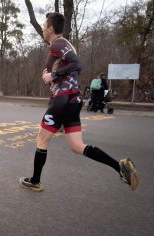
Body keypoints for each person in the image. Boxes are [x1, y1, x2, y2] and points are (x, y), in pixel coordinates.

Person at [19, 12, 138, 192]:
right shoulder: (65, 44)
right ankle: (119, 167)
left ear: (50, 29)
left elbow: (78, 64)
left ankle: (35, 181)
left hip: (62, 100)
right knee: (76, 146)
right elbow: (72, 69)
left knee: (41, 140)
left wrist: (53, 75)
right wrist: (53, 76)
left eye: (44, 26)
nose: (42, 29)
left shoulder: (58, 43)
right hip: (74, 99)